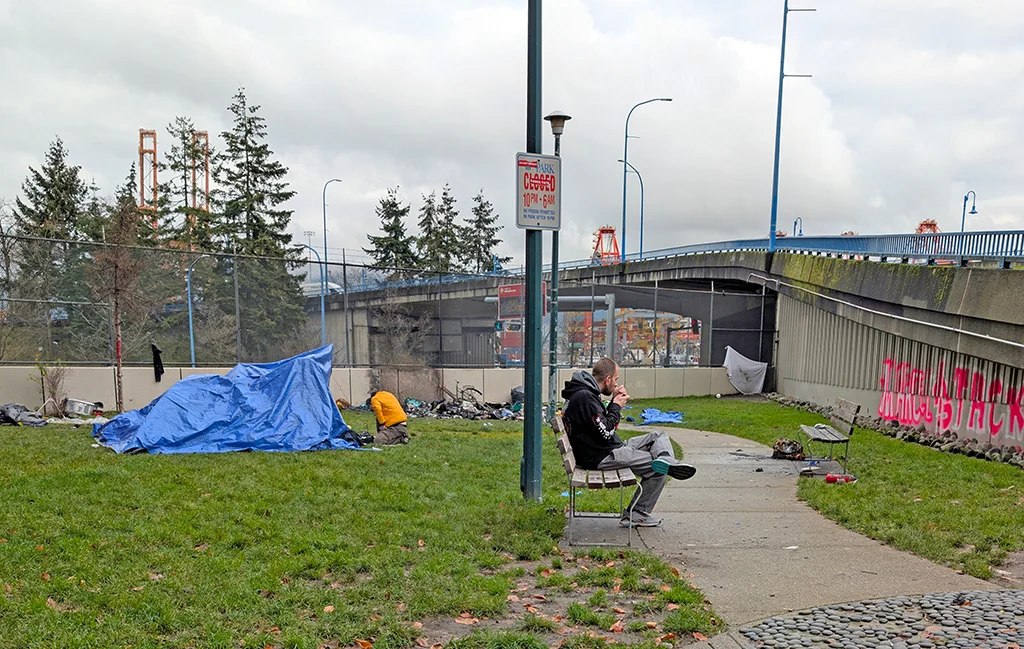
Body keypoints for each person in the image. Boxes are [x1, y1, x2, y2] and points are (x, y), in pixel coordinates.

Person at [561, 358, 696, 528]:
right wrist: (616, 406)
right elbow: (606, 431)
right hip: (603, 456)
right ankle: (637, 513)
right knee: (659, 469)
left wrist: (612, 403)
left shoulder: (584, 393)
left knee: (658, 435)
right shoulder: (585, 397)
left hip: (605, 449)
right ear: (608, 379)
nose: (617, 383)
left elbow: (600, 426)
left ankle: (666, 458)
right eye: (616, 379)